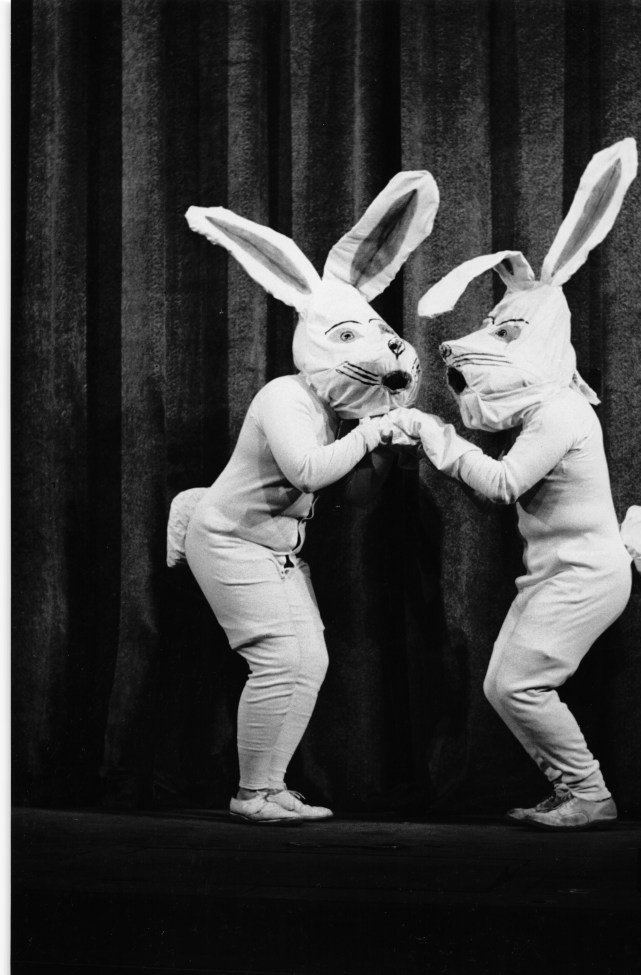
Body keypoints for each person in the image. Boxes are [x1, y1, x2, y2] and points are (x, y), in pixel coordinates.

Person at [173, 172, 439, 823]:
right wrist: (374, 429)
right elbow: (308, 469)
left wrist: (381, 445)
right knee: (280, 658)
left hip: (276, 549)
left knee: (307, 659)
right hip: (231, 538)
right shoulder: (284, 397)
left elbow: (352, 491)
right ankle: (253, 793)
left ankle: (267, 784)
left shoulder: (329, 412)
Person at [390, 141, 638, 831]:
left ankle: (589, 793)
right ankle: (575, 789)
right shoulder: (547, 410)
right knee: (506, 685)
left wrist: (437, 439)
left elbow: (502, 485)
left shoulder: (560, 411)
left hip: (584, 575)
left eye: (508, 329)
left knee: (519, 684)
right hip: (556, 572)